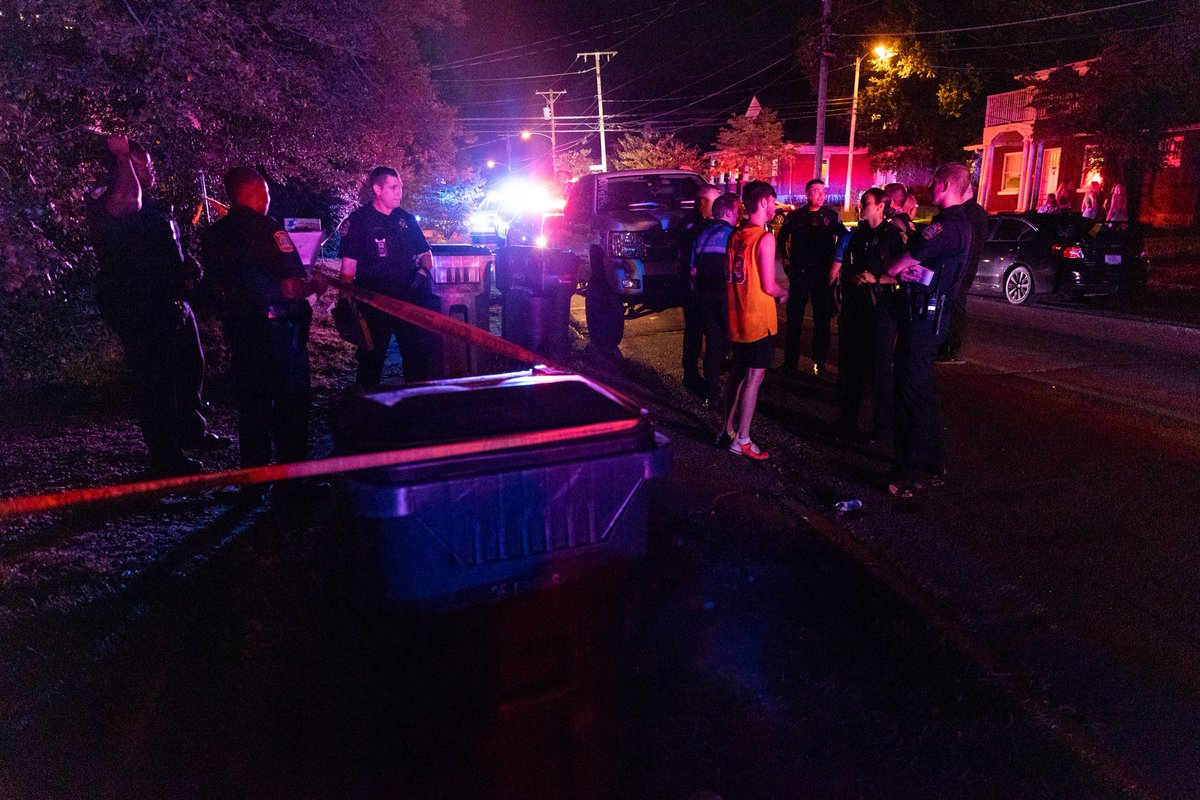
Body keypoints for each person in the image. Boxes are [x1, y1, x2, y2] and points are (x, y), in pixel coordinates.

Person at [85, 134, 227, 476]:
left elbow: (161, 238)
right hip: (141, 307)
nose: (150, 173)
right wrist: (121, 157)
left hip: (172, 300)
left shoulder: (150, 202)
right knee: (155, 381)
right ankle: (166, 456)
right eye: (142, 167)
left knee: (190, 366)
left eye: (149, 166)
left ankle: (192, 432)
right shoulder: (110, 198)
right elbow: (128, 203)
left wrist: (186, 259)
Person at [200, 167, 327, 473]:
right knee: (291, 406)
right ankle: (292, 485)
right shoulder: (271, 231)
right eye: (267, 192)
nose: (268, 199)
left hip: (240, 329)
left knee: (252, 407)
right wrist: (315, 286)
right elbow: (289, 287)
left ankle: (253, 481)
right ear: (256, 192)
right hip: (279, 332)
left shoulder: (214, 235)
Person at [885, 163, 974, 498]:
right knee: (921, 391)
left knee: (910, 394)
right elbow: (939, 274)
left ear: (946, 184)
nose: (930, 188)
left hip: (922, 319)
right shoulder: (962, 226)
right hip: (933, 315)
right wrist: (916, 273)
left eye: (935, 182)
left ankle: (910, 472)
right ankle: (933, 461)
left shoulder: (943, 227)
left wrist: (904, 270)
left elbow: (896, 265)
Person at [339, 166, 441, 386]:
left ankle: (415, 405)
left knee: (416, 358)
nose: (399, 192)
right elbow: (348, 266)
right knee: (371, 360)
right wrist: (345, 300)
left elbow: (426, 254)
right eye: (393, 187)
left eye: (400, 187)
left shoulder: (406, 219)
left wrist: (422, 274)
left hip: (407, 300)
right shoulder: (359, 220)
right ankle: (368, 409)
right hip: (373, 302)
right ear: (377, 189)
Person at [723, 181, 788, 460]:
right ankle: (743, 439)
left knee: (739, 374)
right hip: (758, 319)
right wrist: (784, 293)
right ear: (762, 202)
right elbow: (769, 285)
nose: (775, 207)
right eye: (773, 202)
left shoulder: (736, 234)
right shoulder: (765, 238)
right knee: (754, 378)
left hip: (737, 317)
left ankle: (727, 428)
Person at [835, 188, 905, 442]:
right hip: (856, 308)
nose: (861, 206)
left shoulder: (893, 237)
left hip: (881, 310)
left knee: (880, 370)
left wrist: (876, 278)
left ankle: (882, 427)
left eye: (866, 202)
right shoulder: (858, 235)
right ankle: (847, 420)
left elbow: (904, 274)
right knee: (852, 365)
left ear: (880, 207)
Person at [776, 178, 846, 376]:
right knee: (795, 318)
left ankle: (819, 362)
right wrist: (787, 262)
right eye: (816, 191)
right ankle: (790, 362)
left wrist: (837, 262)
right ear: (807, 194)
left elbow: (844, 237)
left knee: (822, 319)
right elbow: (782, 239)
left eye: (823, 191)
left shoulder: (831, 217)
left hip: (823, 276)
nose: (821, 195)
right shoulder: (796, 216)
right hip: (800, 274)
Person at [690, 192, 738, 418]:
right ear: (728, 213)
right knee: (734, 343)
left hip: (703, 296)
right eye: (736, 211)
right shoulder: (732, 235)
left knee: (713, 344)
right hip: (725, 297)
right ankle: (733, 395)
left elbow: (693, 269)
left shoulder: (702, 235)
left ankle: (711, 393)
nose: (738, 215)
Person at [937, 185, 989, 362]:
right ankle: (948, 344)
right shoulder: (974, 212)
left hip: (962, 267)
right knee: (952, 305)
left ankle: (952, 346)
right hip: (964, 267)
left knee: (955, 306)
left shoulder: (971, 213)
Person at [681, 184, 722, 398]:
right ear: (704, 202)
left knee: (708, 330)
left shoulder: (707, 223)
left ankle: (708, 371)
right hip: (694, 289)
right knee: (695, 330)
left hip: (705, 288)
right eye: (715, 201)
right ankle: (690, 372)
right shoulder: (692, 224)